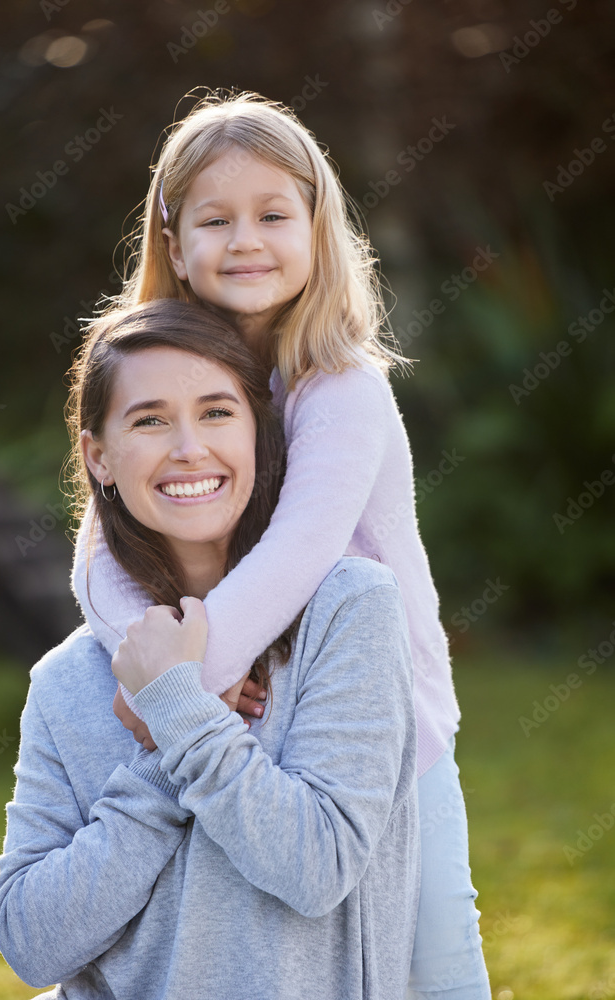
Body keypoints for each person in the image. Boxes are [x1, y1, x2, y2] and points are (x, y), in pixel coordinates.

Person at [71, 91, 491, 999]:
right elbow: (100, 552)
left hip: (382, 723)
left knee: (435, 961)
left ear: (317, 229)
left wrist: (184, 674)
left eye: (273, 214)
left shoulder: (341, 388)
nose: (245, 240)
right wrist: (156, 670)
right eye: (215, 220)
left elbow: (302, 550)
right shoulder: (167, 369)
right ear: (174, 244)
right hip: (244, 712)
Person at [0, 299, 420, 999]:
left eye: (218, 412)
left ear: (259, 433)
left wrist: (179, 713)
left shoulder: (349, 608)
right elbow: (31, 945)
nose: (189, 447)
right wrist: (171, 737)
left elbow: (317, 868)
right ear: (99, 456)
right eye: (150, 419)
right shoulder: (68, 679)